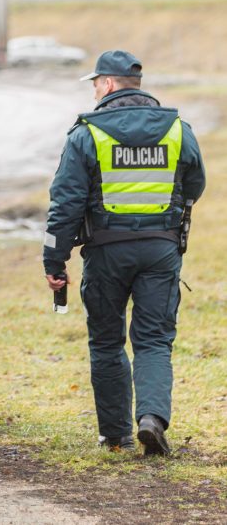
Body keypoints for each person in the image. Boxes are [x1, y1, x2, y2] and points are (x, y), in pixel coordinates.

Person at [43, 50, 205, 455]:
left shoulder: (86, 134)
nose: (95, 89)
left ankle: (115, 434)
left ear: (110, 84)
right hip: (161, 250)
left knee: (106, 342)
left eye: (97, 82)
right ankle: (151, 418)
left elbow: (65, 205)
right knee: (153, 341)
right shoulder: (178, 130)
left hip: (105, 252)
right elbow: (196, 184)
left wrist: (54, 260)